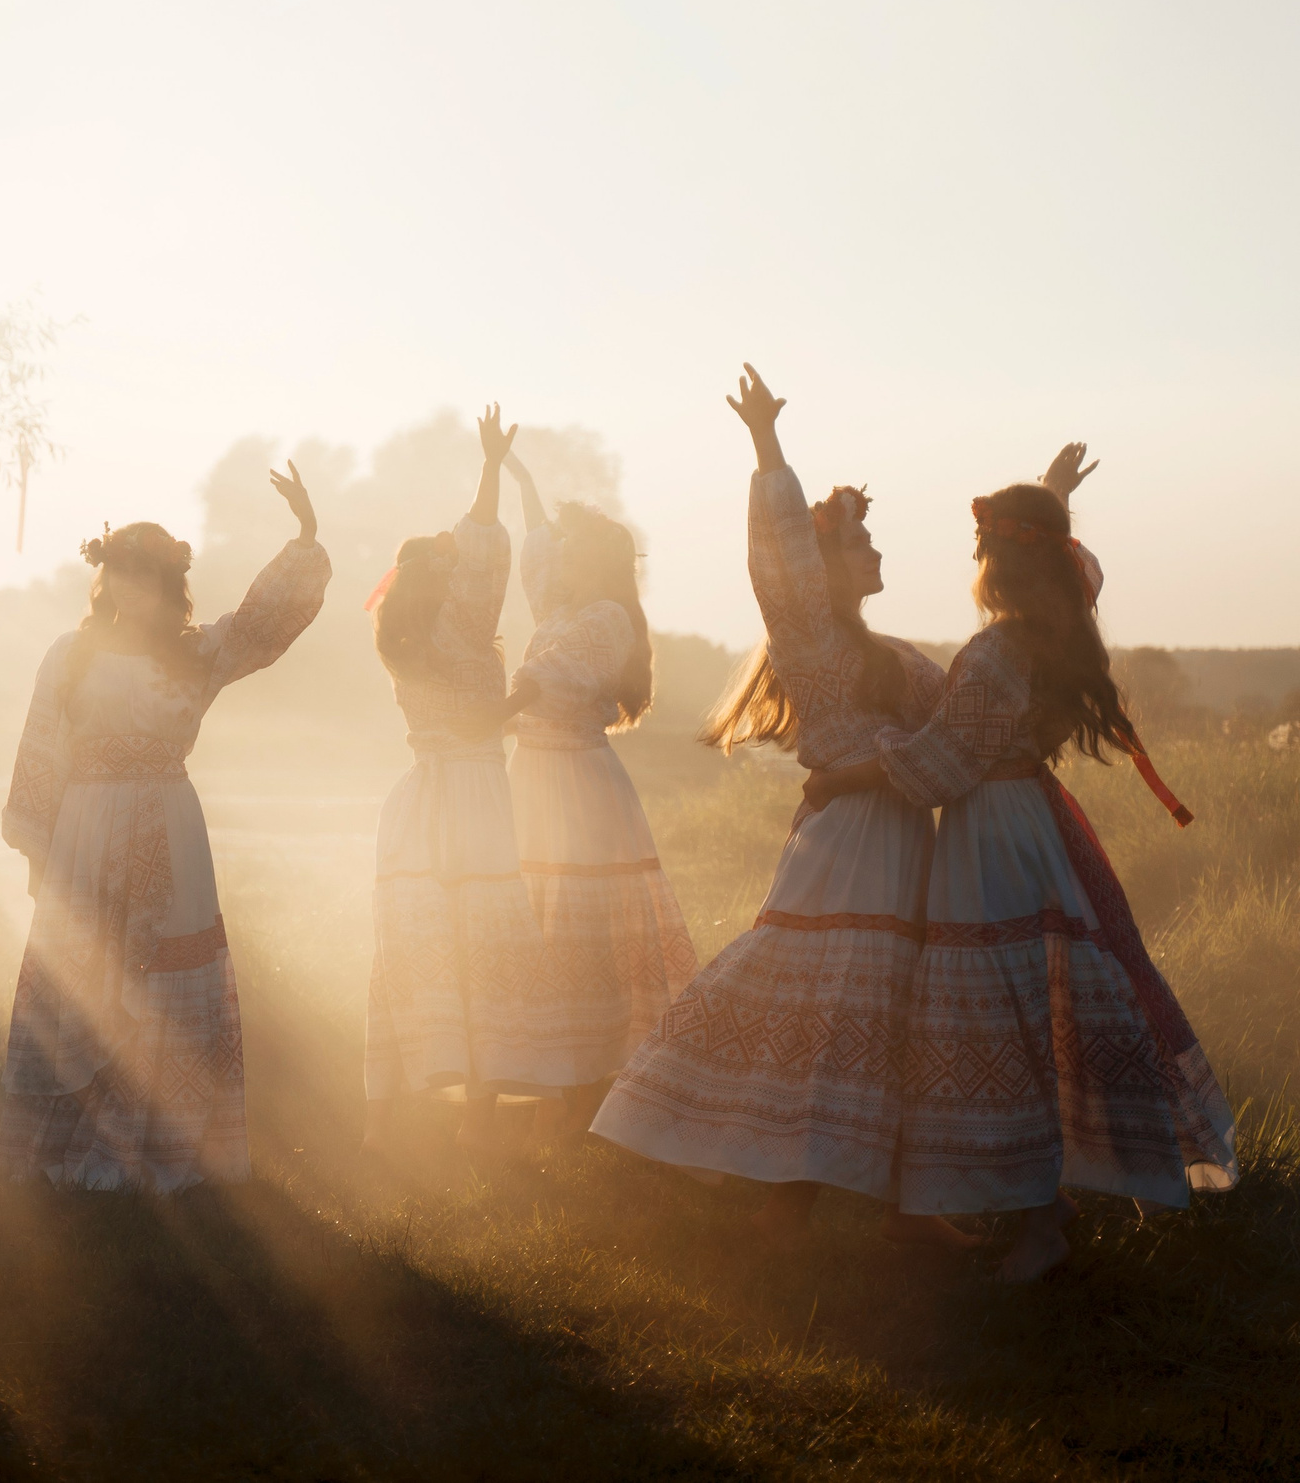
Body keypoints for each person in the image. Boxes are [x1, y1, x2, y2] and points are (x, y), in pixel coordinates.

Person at [800, 445, 1234, 1282]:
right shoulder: (1062, 623)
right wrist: (1055, 494)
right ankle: (1028, 1202)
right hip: (1028, 821)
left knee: (999, 1018)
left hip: (989, 833)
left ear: (1000, 558)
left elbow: (940, 764)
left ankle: (1040, 1223)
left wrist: (843, 775)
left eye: (981, 546)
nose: (973, 559)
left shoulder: (1002, 650)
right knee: (1026, 1011)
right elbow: (1083, 569)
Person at [590, 367, 972, 1246]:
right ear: (827, 563)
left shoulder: (895, 654)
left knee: (891, 1014)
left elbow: (957, 731)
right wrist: (767, 446)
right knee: (828, 1006)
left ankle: (897, 1206)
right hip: (845, 849)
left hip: (902, 842)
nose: (877, 552)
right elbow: (779, 554)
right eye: (862, 541)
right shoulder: (811, 634)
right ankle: (788, 1199)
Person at [0, 464, 330, 1191]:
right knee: (88, 973)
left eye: (147, 578)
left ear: (170, 586)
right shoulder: (70, 655)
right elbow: (39, 752)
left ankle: (168, 1145)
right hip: (85, 824)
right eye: (121, 575)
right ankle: (78, 1144)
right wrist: (37, 851)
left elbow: (261, 627)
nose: (132, 590)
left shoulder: (196, 653)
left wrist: (305, 539)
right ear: (106, 580)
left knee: (161, 978)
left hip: (169, 828)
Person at [362, 408, 572, 1160]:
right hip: (475, 799)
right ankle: (476, 1116)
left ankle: (380, 1120)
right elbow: (483, 557)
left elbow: (477, 553)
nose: (465, 576)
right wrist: (525, 694)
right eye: (448, 570)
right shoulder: (453, 628)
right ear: (437, 583)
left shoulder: (403, 640)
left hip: (422, 801)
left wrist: (489, 473)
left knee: (416, 948)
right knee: (486, 946)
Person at [500, 452, 698, 1132]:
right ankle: (553, 1083)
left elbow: (549, 674)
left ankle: (588, 1091)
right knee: (538, 925)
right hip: (534, 776)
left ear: (597, 563)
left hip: (578, 786)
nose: (561, 560)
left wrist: (482, 719)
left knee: (581, 934)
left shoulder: (608, 617)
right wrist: (522, 482)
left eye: (574, 553)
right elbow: (537, 554)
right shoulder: (561, 602)